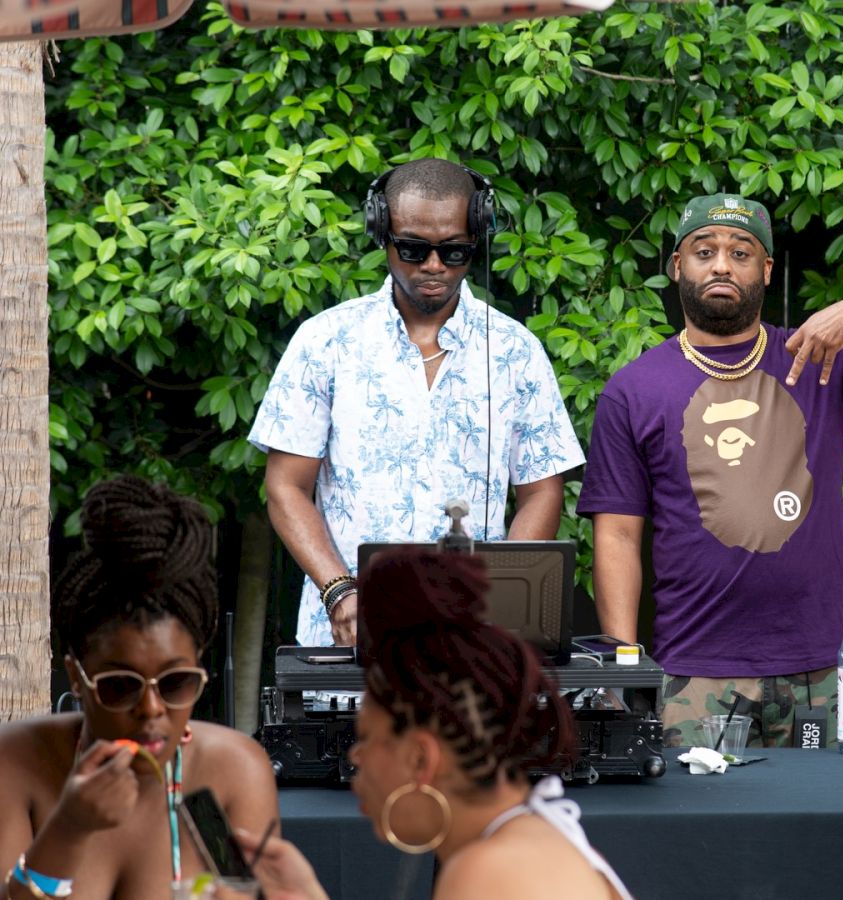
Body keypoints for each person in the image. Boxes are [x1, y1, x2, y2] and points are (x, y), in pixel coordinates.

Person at [577, 193, 843, 748]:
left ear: (765, 270)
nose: (721, 264)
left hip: (823, 671)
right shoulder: (634, 389)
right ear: (676, 267)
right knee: (705, 836)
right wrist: (620, 667)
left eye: (741, 252)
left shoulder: (819, 358)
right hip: (698, 673)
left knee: (828, 831)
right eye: (703, 250)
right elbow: (616, 534)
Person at [249, 158, 584, 647]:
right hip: (347, 642)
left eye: (454, 252)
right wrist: (339, 591)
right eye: (412, 248)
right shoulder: (324, 340)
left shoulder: (516, 351)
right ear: (381, 233)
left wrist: (505, 603)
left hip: (474, 645)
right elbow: (285, 487)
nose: (433, 266)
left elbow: (541, 491)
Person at [239, 549, 634, 900]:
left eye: (367, 736)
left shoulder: (488, 875)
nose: (356, 753)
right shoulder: (531, 837)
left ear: (421, 757)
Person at [0, 475, 278, 898]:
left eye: (176, 682)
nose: (151, 708)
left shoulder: (231, 773)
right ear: (76, 677)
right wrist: (68, 831)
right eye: (120, 686)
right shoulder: (14, 765)